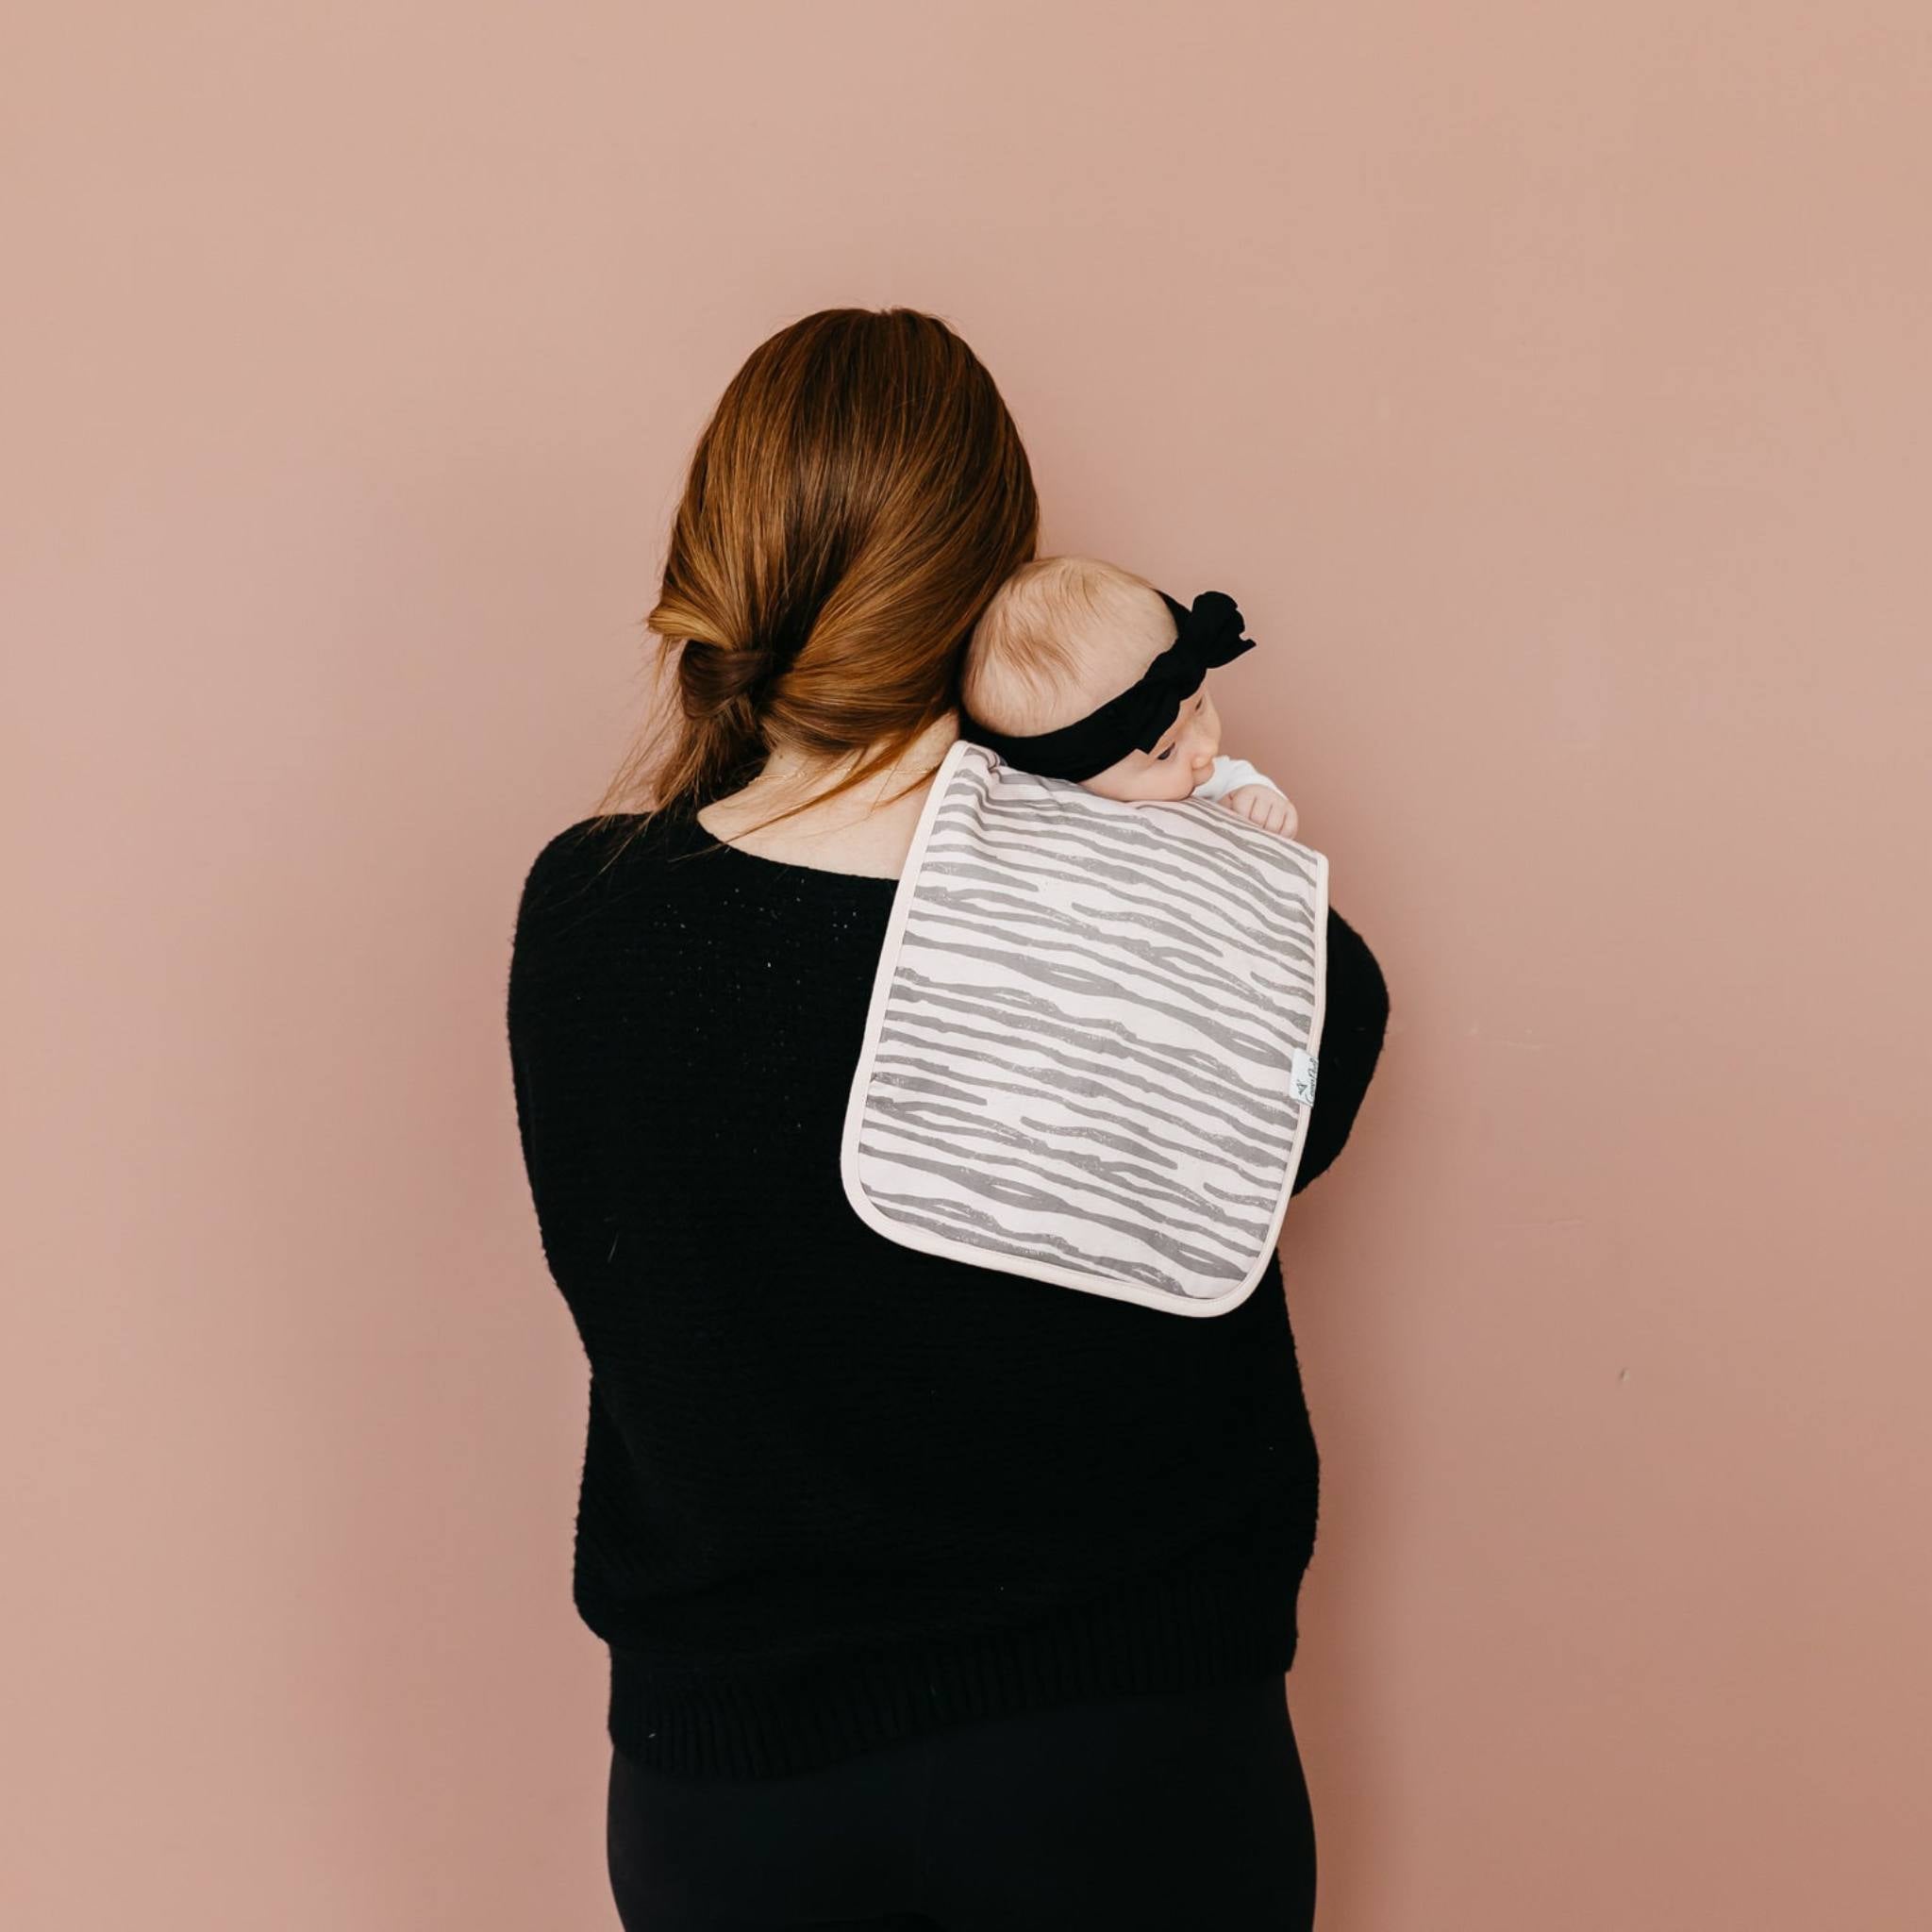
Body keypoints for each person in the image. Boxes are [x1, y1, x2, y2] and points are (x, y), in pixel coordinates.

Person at [506, 307, 1390, 1931]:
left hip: (732, 1804)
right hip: (1138, 1767)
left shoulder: (587, 916)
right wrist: (1162, 816)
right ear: (988, 584)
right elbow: (1314, 1081)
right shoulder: (1199, 918)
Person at [958, 552, 1296, 834]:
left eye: (1199, 706)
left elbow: (1234, 778)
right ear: (1073, 780)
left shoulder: (1209, 785)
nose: (1206, 748)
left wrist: (1258, 799)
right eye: (1166, 752)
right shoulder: (1052, 824)